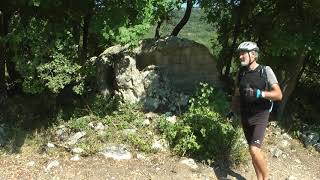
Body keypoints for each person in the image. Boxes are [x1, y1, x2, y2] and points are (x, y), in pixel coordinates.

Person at [231, 41, 282, 180]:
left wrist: (259, 94)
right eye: (239, 53)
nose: (240, 56)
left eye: (243, 53)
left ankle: (266, 178)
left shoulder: (265, 71)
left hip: (261, 114)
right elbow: (236, 93)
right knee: (252, 151)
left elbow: (278, 94)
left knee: (254, 149)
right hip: (245, 114)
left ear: (253, 54)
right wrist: (232, 109)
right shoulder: (241, 72)